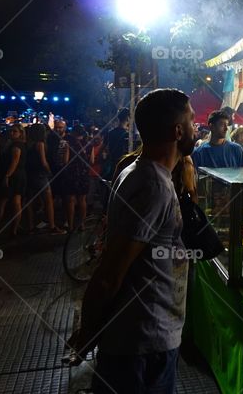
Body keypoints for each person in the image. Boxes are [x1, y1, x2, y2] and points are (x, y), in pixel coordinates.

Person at [67, 89, 195, 394]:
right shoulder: (153, 186)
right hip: (144, 341)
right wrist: (88, 331)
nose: (196, 128)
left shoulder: (138, 172)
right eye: (192, 121)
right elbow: (110, 271)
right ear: (178, 130)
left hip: (146, 337)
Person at [25, 124, 64, 234]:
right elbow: (43, 161)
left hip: (29, 173)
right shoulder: (40, 144)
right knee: (48, 200)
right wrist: (49, 171)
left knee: (30, 201)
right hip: (40, 174)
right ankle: (52, 226)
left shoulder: (27, 143)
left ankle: (30, 226)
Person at [0, 124, 27, 237]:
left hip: (13, 175)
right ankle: (13, 229)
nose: (12, 133)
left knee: (3, 201)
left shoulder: (16, 146)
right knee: (16, 202)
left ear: (20, 133)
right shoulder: (19, 144)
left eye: (15, 131)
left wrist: (7, 176)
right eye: (11, 131)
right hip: (20, 174)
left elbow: (14, 162)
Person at [63, 126, 91, 231]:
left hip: (71, 174)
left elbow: (65, 161)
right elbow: (91, 161)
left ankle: (70, 226)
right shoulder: (89, 145)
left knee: (71, 200)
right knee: (82, 200)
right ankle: (82, 225)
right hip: (84, 175)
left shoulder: (69, 144)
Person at [103, 108, 131, 181]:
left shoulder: (110, 133)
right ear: (128, 118)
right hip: (124, 168)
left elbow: (104, 149)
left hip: (112, 168)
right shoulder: (128, 135)